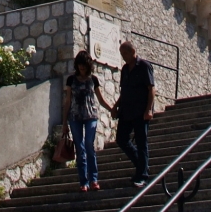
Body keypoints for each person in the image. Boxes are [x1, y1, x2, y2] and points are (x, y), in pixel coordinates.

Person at [61, 49, 112, 192]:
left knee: (89, 144)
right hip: (75, 117)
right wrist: (64, 123)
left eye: (83, 65)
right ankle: (83, 182)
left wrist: (112, 109)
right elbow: (68, 102)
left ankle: (94, 179)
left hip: (90, 116)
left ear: (88, 65)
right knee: (80, 149)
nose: (81, 67)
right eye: (79, 65)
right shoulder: (71, 80)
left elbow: (100, 99)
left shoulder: (93, 80)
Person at [112, 41, 155, 187]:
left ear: (132, 51)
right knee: (121, 139)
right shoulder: (124, 69)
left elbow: (151, 89)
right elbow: (124, 91)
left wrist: (149, 110)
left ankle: (142, 174)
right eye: (121, 54)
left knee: (142, 142)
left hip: (140, 111)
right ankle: (141, 164)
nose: (123, 57)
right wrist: (115, 106)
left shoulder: (144, 66)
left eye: (125, 53)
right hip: (126, 110)